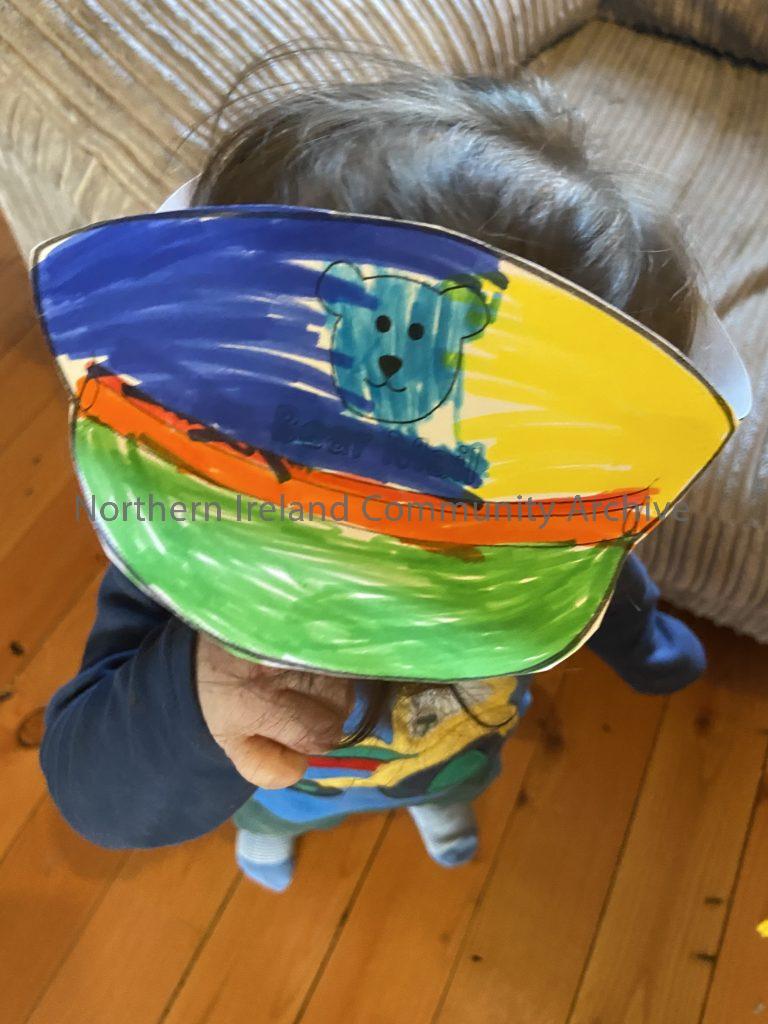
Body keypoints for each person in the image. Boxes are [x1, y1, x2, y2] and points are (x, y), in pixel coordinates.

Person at [40, 59, 705, 892]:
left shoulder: (543, 553)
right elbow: (93, 795)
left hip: (454, 752)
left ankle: (435, 809)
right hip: (282, 787)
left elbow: (606, 588)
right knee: (277, 812)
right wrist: (200, 699)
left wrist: (648, 648)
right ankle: (276, 838)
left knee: (446, 782)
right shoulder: (183, 551)